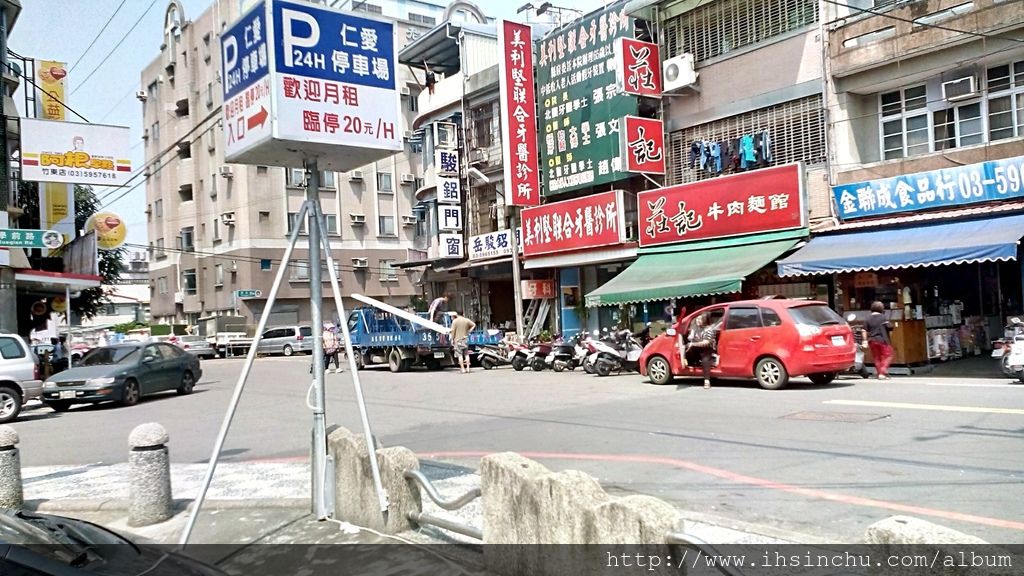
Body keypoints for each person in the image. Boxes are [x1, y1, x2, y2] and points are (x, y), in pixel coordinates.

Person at [685, 315, 718, 389]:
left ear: (705, 320)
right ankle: (693, 363)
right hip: (697, 346)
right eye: (697, 319)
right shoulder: (695, 327)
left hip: (707, 348)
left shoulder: (709, 329)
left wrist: (693, 344)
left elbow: (706, 343)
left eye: (700, 319)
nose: (697, 321)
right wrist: (691, 336)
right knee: (687, 349)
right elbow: (690, 337)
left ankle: (707, 380)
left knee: (705, 360)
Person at [863, 301, 894, 380]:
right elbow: (889, 327)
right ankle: (882, 371)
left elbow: (864, 330)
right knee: (888, 355)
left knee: (876, 357)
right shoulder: (883, 317)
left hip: (872, 340)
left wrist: (865, 340)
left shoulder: (867, 318)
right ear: (881, 308)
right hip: (882, 339)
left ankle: (879, 373)